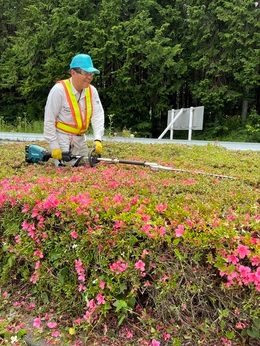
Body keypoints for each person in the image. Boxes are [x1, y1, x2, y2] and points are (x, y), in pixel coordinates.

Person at [44, 53, 104, 165]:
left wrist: (98, 139)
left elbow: (98, 115)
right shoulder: (59, 90)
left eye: (91, 74)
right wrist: (54, 146)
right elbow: (49, 119)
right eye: (86, 73)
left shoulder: (92, 91)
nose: (89, 77)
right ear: (73, 72)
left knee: (88, 166)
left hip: (81, 140)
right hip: (62, 139)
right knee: (67, 169)